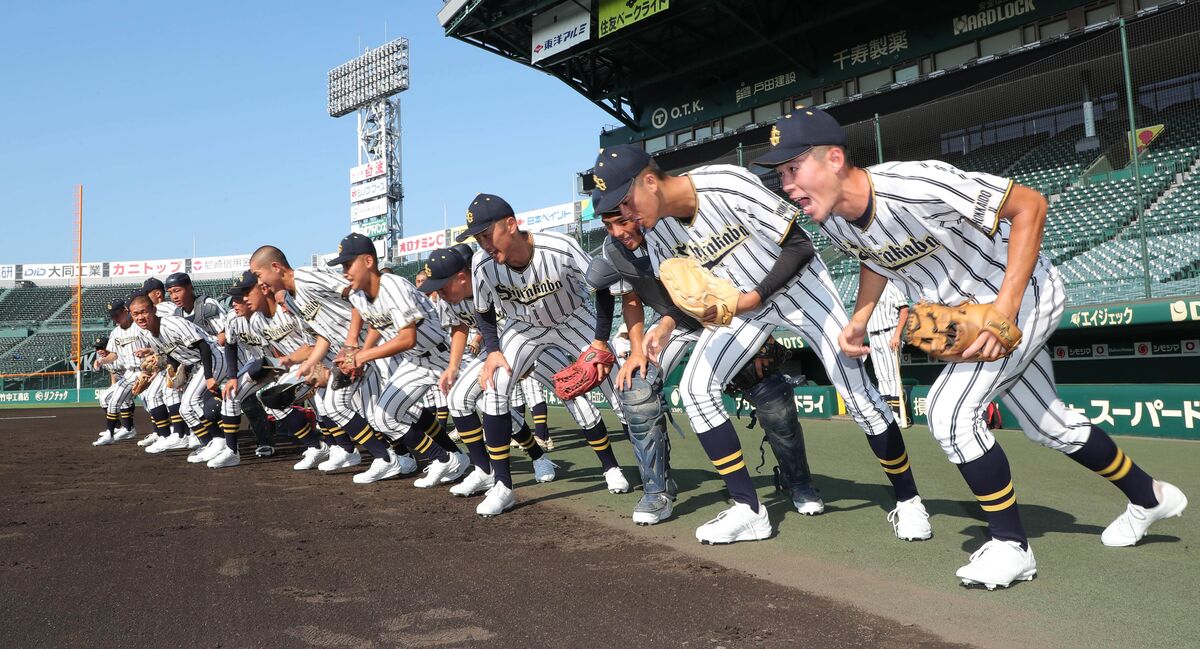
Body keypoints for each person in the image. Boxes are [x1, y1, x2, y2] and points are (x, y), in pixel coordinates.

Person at [759, 106, 1188, 588]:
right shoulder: (833, 217)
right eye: (780, 173)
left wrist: (1005, 308)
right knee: (1051, 426)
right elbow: (873, 258)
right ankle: (1150, 497)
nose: (786, 183)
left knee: (949, 412)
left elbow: (1030, 205)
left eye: (794, 168)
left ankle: (1011, 546)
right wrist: (860, 317)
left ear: (834, 159)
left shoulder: (913, 185)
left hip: (1020, 293)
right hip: (965, 316)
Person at [592, 144, 931, 544]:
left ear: (650, 181)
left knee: (857, 396)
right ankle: (748, 510)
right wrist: (667, 324)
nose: (626, 215)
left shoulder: (725, 185)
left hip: (801, 293)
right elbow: (693, 294)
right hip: (743, 309)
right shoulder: (660, 232)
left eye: (626, 200)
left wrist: (755, 295)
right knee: (696, 389)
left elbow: (801, 245)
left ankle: (909, 501)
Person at [587, 197, 824, 529]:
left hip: (724, 317)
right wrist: (638, 349)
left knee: (771, 395)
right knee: (636, 389)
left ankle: (796, 478)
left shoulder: (672, 227)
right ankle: (658, 489)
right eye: (608, 225)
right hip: (675, 324)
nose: (617, 231)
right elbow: (631, 299)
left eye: (622, 221)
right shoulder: (614, 250)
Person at [452, 194, 631, 516]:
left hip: (573, 319)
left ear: (511, 225)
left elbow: (602, 290)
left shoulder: (559, 247)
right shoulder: (482, 264)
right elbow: (483, 311)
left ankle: (625, 469)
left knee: (621, 392)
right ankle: (502, 487)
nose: (483, 244)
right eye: (477, 238)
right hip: (522, 328)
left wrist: (601, 341)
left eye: (486, 234)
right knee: (495, 386)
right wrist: (493, 351)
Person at [331, 233, 470, 486]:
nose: (345, 272)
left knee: (494, 406)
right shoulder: (359, 295)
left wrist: (362, 356)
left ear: (368, 261)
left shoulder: (393, 285)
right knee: (383, 417)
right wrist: (355, 349)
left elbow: (407, 338)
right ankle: (444, 459)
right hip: (416, 362)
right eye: (342, 266)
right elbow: (377, 323)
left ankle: (534, 456)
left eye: (348, 264)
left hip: (445, 356)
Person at [91, 301, 145, 445]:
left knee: (153, 404)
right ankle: (111, 434)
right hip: (130, 373)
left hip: (147, 371)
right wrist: (102, 361)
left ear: (125, 310)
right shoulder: (115, 332)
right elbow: (114, 354)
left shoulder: (139, 326)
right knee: (113, 401)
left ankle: (171, 433)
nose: (115, 318)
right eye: (112, 316)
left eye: (117, 314)